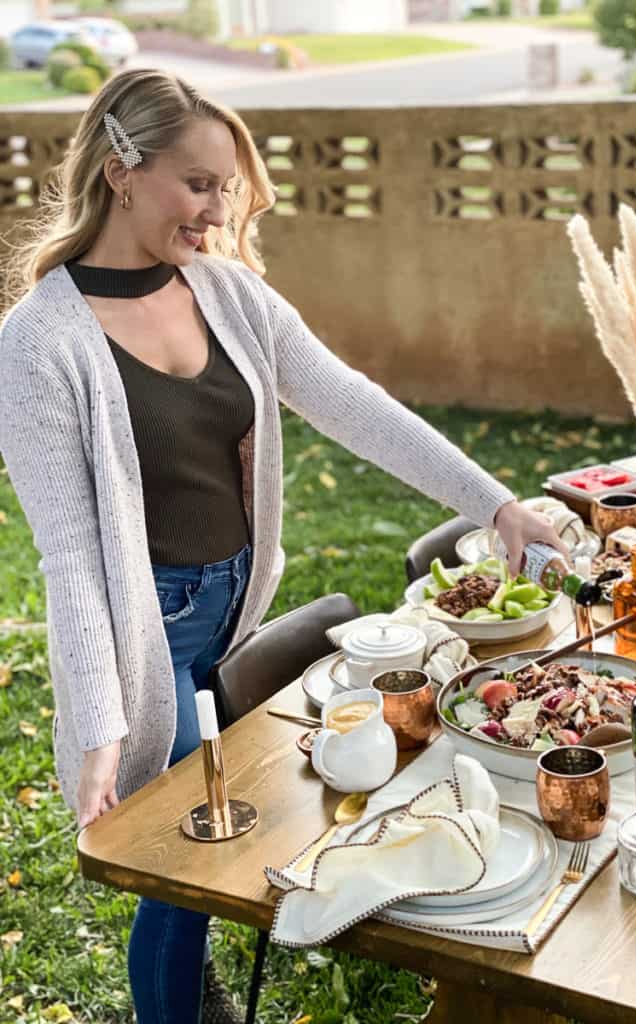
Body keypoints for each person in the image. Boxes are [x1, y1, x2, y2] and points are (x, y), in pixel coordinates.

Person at [0, 68, 567, 1024]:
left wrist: (494, 503)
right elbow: (70, 560)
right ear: (120, 171)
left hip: (233, 606)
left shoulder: (225, 291)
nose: (220, 208)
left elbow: (350, 403)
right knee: (184, 862)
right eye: (199, 184)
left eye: (228, 185)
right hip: (151, 626)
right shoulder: (36, 342)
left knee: (196, 849)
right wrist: (96, 721)